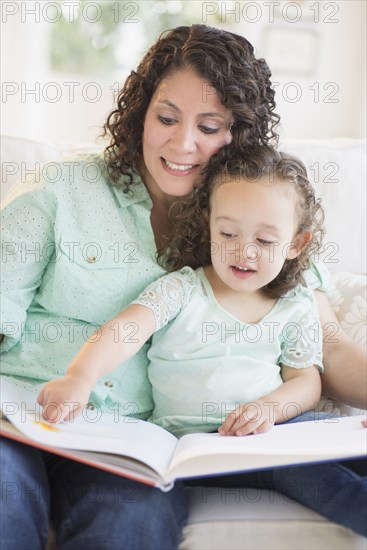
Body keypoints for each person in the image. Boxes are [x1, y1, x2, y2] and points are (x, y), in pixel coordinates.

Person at [0, 24, 365, 550]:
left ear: (239, 134)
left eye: (210, 126)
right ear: (140, 115)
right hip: (23, 415)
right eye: (166, 118)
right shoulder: (61, 190)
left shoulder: (256, 224)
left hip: (127, 444)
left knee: (129, 526)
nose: (182, 143)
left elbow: (326, 345)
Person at [38, 146, 325, 436]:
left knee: (322, 452)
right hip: (185, 441)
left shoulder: (296, 304)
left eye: (264, 240)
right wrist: (80, 378)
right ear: (209, 224)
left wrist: (270, 408)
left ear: (295, 244)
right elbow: (125, 332)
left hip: (269, 432)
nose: (244, 251)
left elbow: (305, 380)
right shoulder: (181, 290)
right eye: (228, 234)